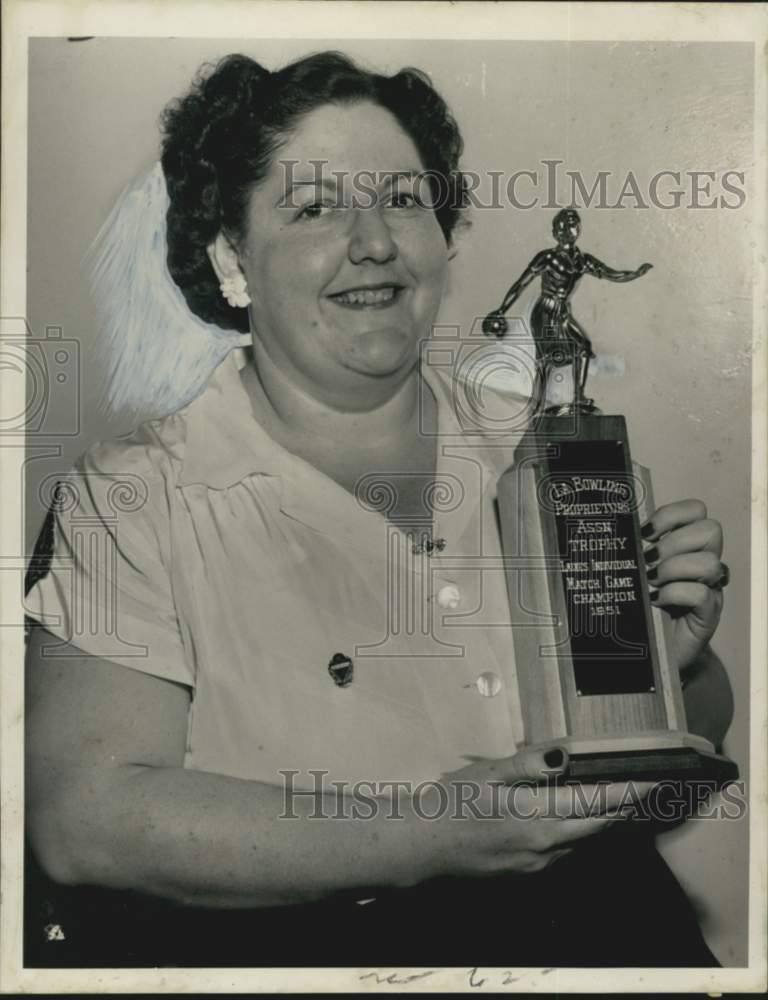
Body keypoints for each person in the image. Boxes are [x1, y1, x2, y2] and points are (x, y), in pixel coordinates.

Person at [24, 52, 734, 968]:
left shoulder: (546, 443)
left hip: (612, 935)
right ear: (229, 257)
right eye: (314, 207)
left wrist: (668, 662)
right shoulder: (132, 496)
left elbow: (693, 732)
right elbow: (85, 822)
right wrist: (437, 833)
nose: (375, 242)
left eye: (404, 199)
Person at [482, 208, 652, 412]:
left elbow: (611, 274)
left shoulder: (583, 260)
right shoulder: (547, 258)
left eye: (574, 224)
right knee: (545, 357)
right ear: (556, 232)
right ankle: (537, 403)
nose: (570, 229)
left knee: (583, 346)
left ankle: (578, 397)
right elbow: (521, 284)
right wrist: (502, 309)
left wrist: (635, 274)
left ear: (578, 228)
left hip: (562, 311)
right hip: (545, 310)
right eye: (565, 225)